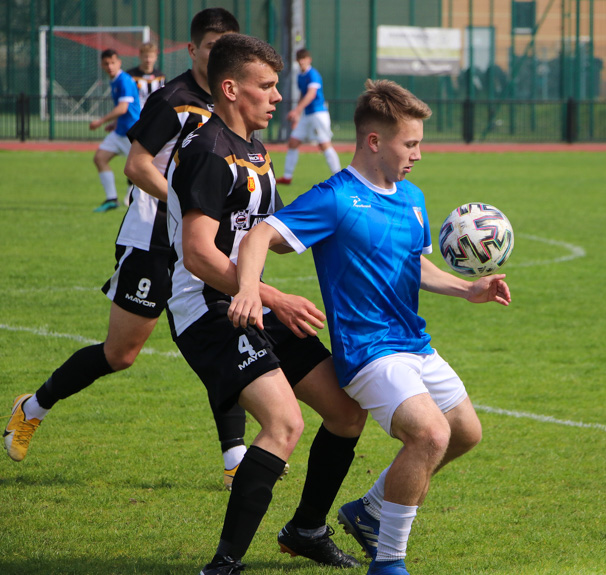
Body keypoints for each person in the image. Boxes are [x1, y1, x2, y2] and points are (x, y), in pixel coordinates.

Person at [228, 79, 512, 575]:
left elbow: (414, 266)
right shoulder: (336, 198)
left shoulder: (412, 196)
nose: (418, 155)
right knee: (429, 435)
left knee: (465, 433)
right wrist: (250, 289)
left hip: (413, 342)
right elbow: (259, 236)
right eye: (411, 143)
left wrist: (469, 289)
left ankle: (369, 510)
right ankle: (389, 562)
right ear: (374, 141)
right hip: (367, 351)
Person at [3, 8, 251, 491]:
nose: (222, 58)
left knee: (224, 332)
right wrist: (190, 203)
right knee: (121, 353)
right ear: (194, 50)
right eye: (214, 48)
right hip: (153, 237)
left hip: (205, 242)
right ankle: (31, 407)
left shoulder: (235, 103)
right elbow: (136, 167)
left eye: (230, 49)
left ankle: (235, 457)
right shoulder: (173, 100)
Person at [165, 33, 366, 573]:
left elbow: (264, 234)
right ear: (230, 89)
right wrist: (268, 293)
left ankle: (305, 531)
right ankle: (224, 564)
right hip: (206, 308)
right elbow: (199, 255)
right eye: (267, 86)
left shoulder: (253, 148)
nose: (278, 97)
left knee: (347, 413)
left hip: (249, 300)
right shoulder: (208, 152)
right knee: (284, 424)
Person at [275, 48, 340, 186]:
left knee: (324, 144)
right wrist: (297, 116)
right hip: (306, 115)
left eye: (304, 59)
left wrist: (297, 111)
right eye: (299, 60)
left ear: (309, 60)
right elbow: (302, 96)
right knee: (293, 142)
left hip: (318, 114)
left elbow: (311, 94)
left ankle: (338, 175)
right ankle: (287, 177)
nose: (301, 62)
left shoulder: (313, 74)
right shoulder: (300, 75)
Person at [89, 48, 141, 213]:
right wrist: (115, 124)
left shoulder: (124, 80)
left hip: (131, 132)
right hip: (120, 131)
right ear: (102, 65)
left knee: (139, 170)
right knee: (99, 158)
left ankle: (149, 203)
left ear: (119, 62)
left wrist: (101, 121)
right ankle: (112, 199)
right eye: (106, 63)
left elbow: (123, 108)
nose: (110, 66)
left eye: (113, 62)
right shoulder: (115, 81)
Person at [127, 42, 166, 107]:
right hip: (136, 115)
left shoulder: (160, 77)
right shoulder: (130, 76)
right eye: (146, 57)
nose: (148, 60)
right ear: (140, 56)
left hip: (154, 114)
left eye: (151, 57)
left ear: (156, 57)